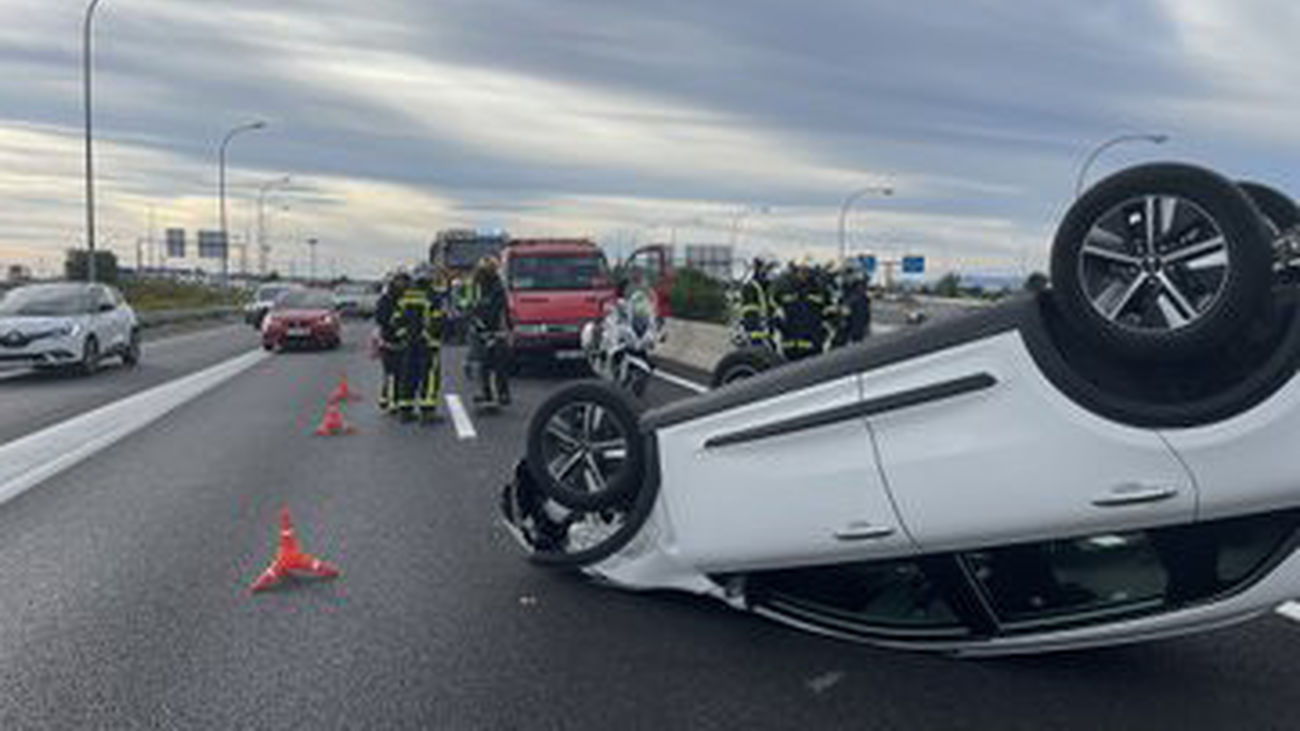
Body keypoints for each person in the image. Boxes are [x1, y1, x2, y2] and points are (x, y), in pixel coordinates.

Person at [392, 263, 446, 422]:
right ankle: (427, 411)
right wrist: (431, 336)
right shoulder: (434, 296)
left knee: (408, 374)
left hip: (409, 343)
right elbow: (438, 320)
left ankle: (405, 410)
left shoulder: (406, 296)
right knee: (429, 376)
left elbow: (396, 320)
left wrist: (404, 336)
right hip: (428, 344)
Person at [467, 257, 511, 406]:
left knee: (500, 363)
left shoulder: (498, 286)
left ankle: (503, 393)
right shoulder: (476, 285)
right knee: (483, 363)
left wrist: (507, 328)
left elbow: (503, 308)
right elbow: (472, 306)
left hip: (496, 329)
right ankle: (486, 393)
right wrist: (476, 323)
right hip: (480, 328)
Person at [772, 261, 835, 361]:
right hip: (789, 348)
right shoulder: (786, 290)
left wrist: (822, 334)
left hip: (813, 347)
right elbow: (776, 314)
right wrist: (781, 327)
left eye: (806, 271)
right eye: (801, 271)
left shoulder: (821, 292)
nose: (803, 275)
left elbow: (830, 315)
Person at [374, 269, 410, 413]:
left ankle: (390, 399)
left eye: (404, 281)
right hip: (389, 340)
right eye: (400, 281)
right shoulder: (386, 300)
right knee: (391, 372)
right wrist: (395, 327)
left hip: (401, 340)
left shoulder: (404, 298)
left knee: (399, 372)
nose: (402, 284)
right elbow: (381, 319)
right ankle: (390, 401)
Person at [738, 257, 776, 348]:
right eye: (768, 269)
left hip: (765, 329)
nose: (770, 273)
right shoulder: (751, 287)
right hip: (756, 330)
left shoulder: (767, 288)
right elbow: (750, 311)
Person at [831, 266, 871, 348]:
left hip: (850, 337)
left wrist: (854, 338)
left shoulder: (857, 296)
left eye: (847, 274)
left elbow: (859, 320)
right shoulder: (845, 294)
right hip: (843, 333)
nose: (843, 277)